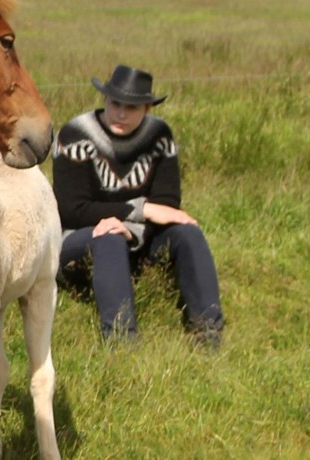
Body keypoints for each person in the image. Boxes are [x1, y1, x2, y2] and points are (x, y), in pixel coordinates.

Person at [52, 64, 224, 348]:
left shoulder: (160, 136)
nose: (121, 113)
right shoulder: (75, 135)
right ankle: (122, 344)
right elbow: (71, 209)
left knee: (187, 232)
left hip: (135, 242)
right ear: (105, 99)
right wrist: (137, 211)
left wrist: (130, 228)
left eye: (131, 107)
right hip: (75, 244)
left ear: (147, 108)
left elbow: (167, 206)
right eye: (115, 103)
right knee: (108, 237)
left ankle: (209, 335)